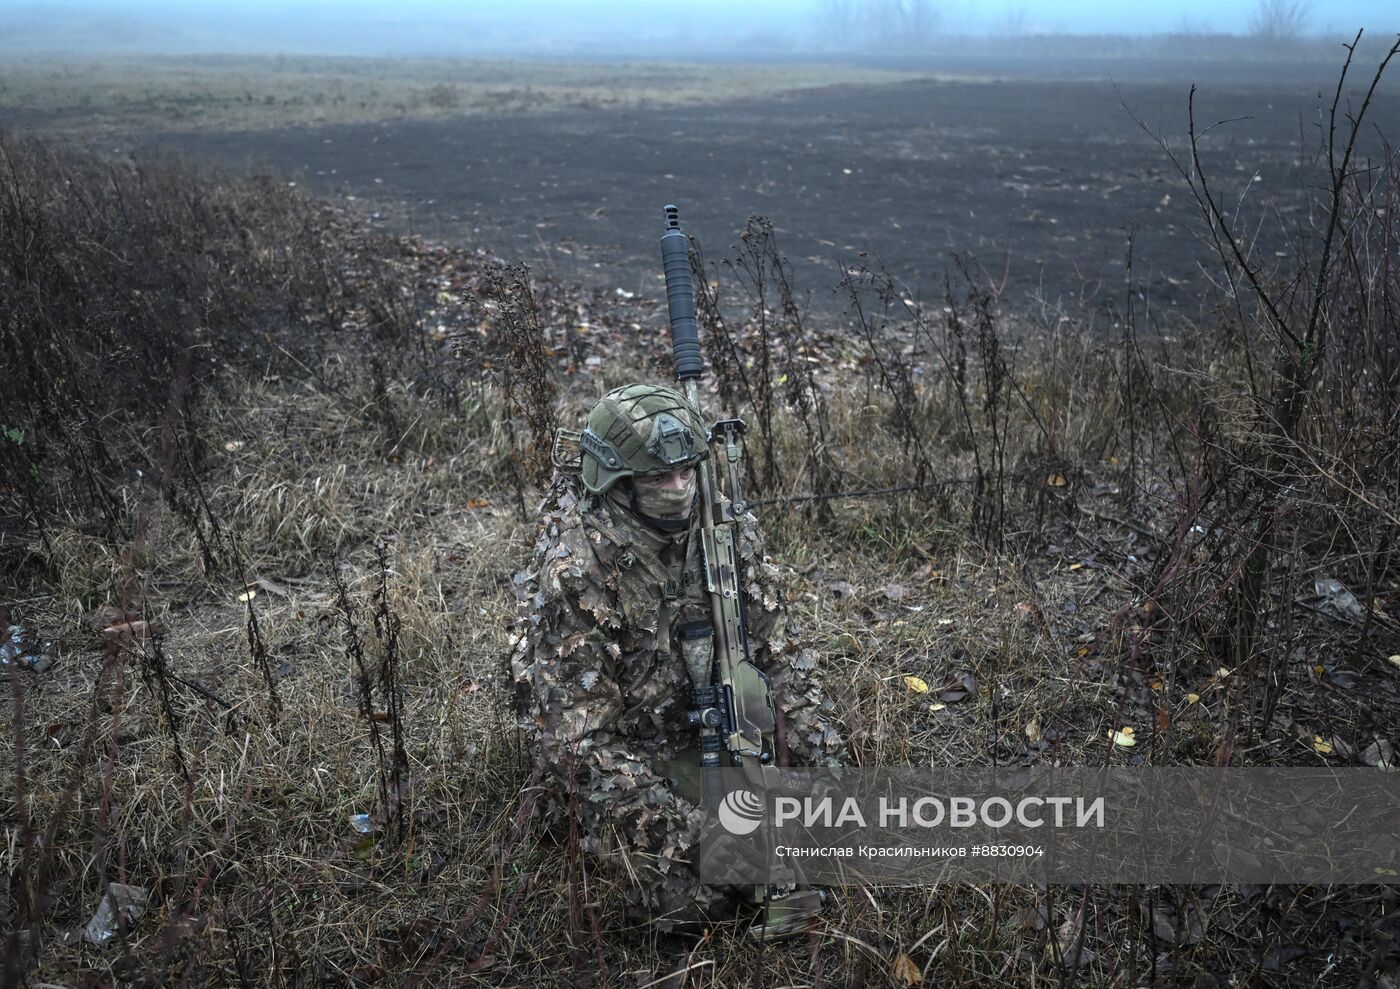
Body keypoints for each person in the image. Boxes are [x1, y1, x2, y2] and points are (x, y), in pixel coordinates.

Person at [508, 382, 843, 936]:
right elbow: (579, 749)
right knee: (694, 902)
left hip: (718, 733)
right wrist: (694, 840)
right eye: (659, 478)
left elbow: (782, 664)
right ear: (615, 481)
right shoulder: (577, 569)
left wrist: (827, 775)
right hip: (628, 757)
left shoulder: (724, 530)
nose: (681, 488)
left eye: (688, 471)